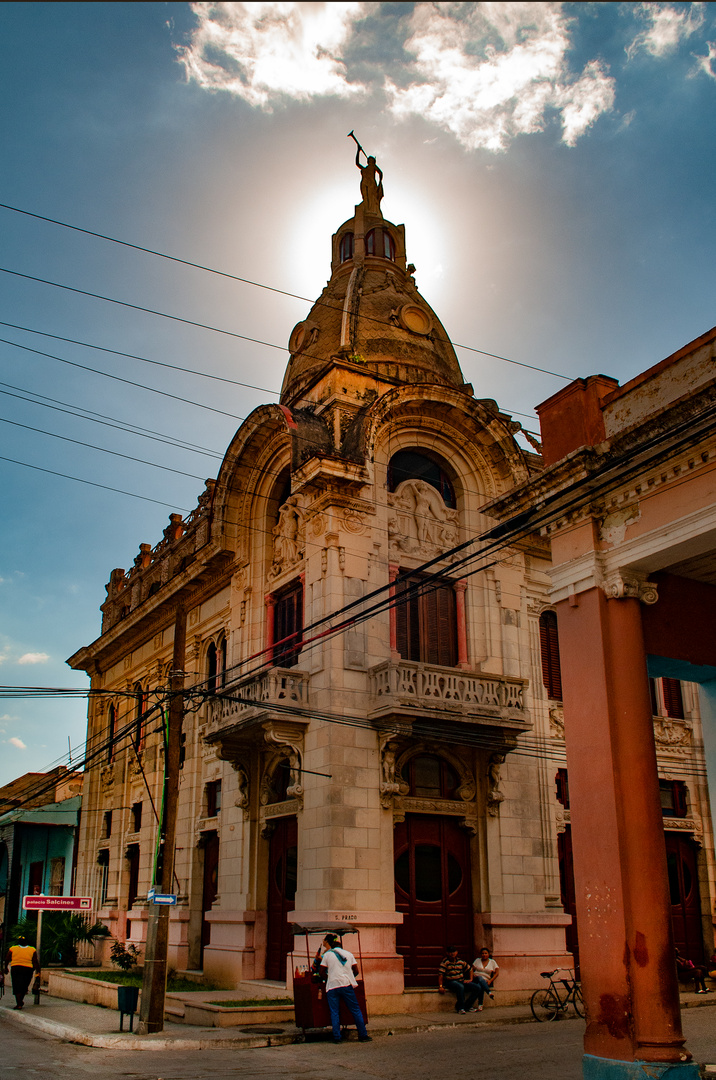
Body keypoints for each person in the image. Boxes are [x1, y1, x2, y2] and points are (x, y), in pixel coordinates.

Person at [318, 933, 372, 1044]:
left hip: (332, 986)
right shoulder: (349, 954)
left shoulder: (328, 955)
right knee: (355, 1010)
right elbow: (356, 971)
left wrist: (330, 978)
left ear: (332, 945)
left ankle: (337, 1037)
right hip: (346, 985)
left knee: (334, 1012)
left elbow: (321, 972)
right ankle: (363, 1035)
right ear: (341, 946)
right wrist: (348, 977)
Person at [438, 945, 479, 1013]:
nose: (452, 953)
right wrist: (441, 986)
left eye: (454, 952)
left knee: (477, 987)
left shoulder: (461, 961)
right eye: (450, 952)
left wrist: (470, 979)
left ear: (457, 952)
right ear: (447, 953)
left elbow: (470, 969)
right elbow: (440, 975)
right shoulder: (445, 962)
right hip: (451, 981)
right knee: (460, 987)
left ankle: (468, 1006)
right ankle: (460, 1008)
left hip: (461, 980)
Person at [4, 933, 41, 1009]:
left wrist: (5, 967)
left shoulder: (13, 948)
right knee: (24, 986)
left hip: (15, 968)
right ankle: (20, 1001)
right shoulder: (32, 949)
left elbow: (7, 958)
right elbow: (35, 961)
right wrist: (38, 971)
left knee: (16, 985)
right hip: (27, 969)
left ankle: (19, 1003)